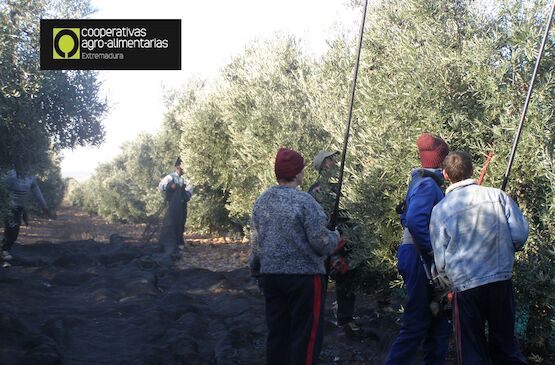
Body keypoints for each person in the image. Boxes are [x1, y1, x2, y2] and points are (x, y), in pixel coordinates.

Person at [430, 151, 528, 365]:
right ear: (472, 170)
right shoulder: (497, 196)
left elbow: (440, 259)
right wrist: (508, 250)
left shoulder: (440, 210)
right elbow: (520, 234)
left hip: (466, 287)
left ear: (446, 175)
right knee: (506, 346)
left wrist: (446, 281)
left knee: (471, 351)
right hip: (500, 280)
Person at [249, 148, 341, 365]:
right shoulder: (306, 202)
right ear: (298, 174)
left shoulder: (261, 202)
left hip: (271, 277)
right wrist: (336, 236)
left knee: (277, 333)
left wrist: (256, 271)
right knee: (306, 336)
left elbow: (256, 244)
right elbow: (321, 243)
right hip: (305, 279)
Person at [384, 133, 451, 365]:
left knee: (437, 318)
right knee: (419, 319)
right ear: (440, 160)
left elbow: (406, 217)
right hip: (418, 255)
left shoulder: (419, 181)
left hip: (413, 253)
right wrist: (432, 251)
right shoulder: (427, 185)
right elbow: (413, 220)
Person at [308, 150, 362, 333]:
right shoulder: (316, 190)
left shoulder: (344, 185)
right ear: (323, 165)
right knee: (319, 280)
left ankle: (345, 319)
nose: (335, 162)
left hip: (345, 241)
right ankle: (316, 318)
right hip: (324, 241)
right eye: (331, 159)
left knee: (346, 279)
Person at [2, 167, 50, 268]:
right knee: (11, 229)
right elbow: (3, 190)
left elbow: (36, 190)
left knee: (14, 231)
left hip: (18, 208)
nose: (26, 169)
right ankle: (4, 251)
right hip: (8, 206)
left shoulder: (31, 177)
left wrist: (44, 206)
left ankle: (4, 250)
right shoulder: (11, 176)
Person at [158, 157, 194, 249]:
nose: (183, 169)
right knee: (172, 222)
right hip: (172, 205)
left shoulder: (187, 179)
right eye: (181, 167)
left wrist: (183, 198)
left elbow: (189, 191)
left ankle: (180, 242)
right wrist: (170, 186)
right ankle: (171, 242)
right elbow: (161, 186)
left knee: (181, 222)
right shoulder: (170, 177)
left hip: (182, 205)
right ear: (177, 167)